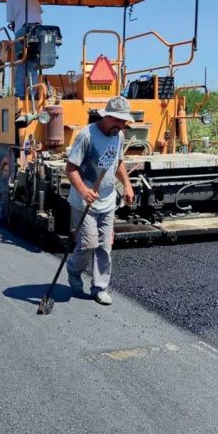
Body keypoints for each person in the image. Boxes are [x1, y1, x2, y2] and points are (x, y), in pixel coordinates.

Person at [66, 96, 135, 305]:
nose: (122, 126)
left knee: (105, 246)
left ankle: (100, 288)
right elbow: (70, 168)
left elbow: (119, 163)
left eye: (124, 122)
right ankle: (73, 270)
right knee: (88, 244)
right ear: (108, 117)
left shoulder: (119, 136)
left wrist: (127, 186)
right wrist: (84, 191)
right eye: (118, 121)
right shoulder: (86, 136)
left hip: (107, 200)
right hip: (83, 201)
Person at [5, 0, 42, 99]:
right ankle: (33, 93)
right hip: (38, 30)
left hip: (23, 30)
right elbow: (39, 12)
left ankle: (20, 94)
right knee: (33, 63)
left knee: (20, 62)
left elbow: (12, 21)